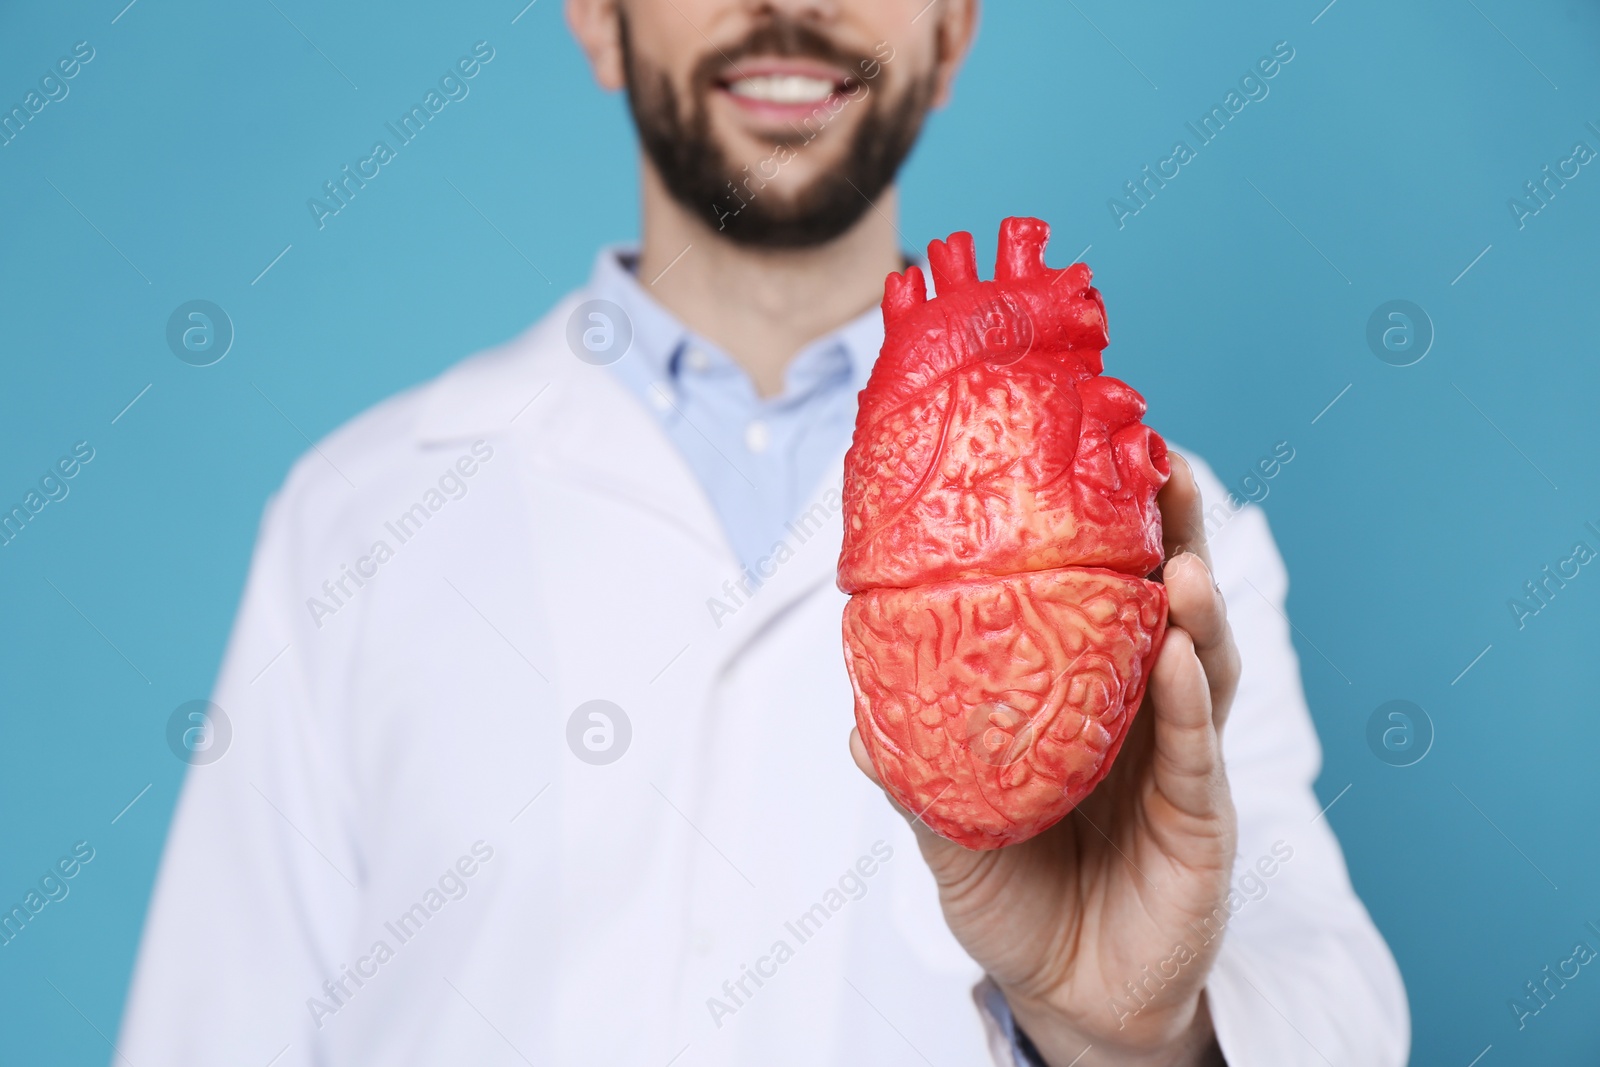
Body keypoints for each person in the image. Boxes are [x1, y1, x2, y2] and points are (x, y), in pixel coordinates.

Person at [118, 1, 1409, 1064]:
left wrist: (1134, 1037)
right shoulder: (354, 521)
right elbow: (208, 1029)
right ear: (597, 20)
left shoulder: (1171, 543)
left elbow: (1331, 1002)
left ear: (953, 30)